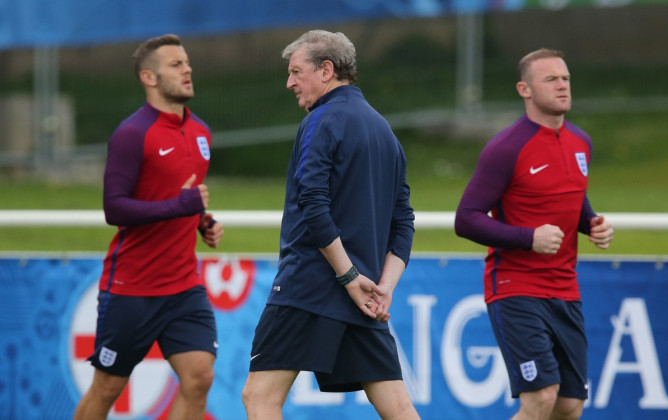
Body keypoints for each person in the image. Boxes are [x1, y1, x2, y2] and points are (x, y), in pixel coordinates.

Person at [241, 30, 420, 419]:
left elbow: (313, 205)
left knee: (260, 397)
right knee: (398, 407)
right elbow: (403, 221)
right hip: (364, 294)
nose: (289, 83)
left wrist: (348, 276)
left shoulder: (321, 120)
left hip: (310, 286)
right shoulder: (384, 130)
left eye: (295, 71)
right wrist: (382, 287)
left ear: (326, 70)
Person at [454, 48, 614, 420]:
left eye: (566, 78)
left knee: (569, 405)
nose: (562, 86)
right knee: (540, 397)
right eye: (551, 79)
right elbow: (466, 219)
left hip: (565, 287)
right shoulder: (506, 148)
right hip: (516, 285)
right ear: (524, 89)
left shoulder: (581, 142)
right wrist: (529, 238)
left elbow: (570, 194)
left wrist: (591, 223)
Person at [74, 34, 224, 420]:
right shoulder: (132, 134)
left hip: (183, 286)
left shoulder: (202, 132)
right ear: (149, 78)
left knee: (199, 379)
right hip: (132, 288)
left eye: (187, 62)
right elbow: (115, 208)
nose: (188, 69)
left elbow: (181, 198)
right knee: (106, 388)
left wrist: (201, 222)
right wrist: (182, 206)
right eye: (176, 65)